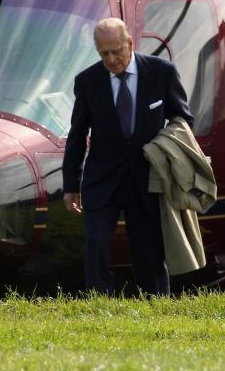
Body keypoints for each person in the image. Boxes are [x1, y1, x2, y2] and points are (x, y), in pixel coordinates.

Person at [62, 18, 193, 296]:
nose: (111, 59)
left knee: (148, 250)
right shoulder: (87, 81)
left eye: (116, 51)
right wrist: (71, 185)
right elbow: (76, 135)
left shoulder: (161, 72)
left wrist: (165, 147)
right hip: (102, 179)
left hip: (146, 179)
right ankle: (99, 303)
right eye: (104, 53)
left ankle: (156, 304)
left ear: (130, 44)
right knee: (96, 244)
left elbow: (183, 119)